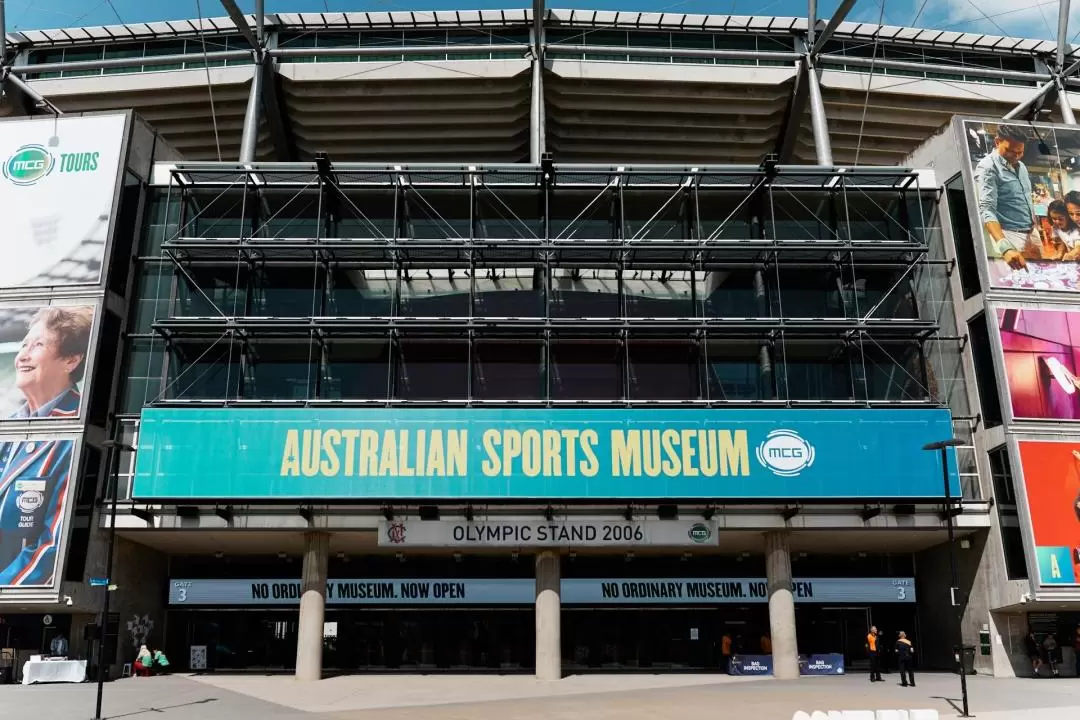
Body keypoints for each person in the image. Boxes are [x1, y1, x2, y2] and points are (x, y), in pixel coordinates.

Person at [0, 307, 91, 587]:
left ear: (71, 360)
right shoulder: (8, 428)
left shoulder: (77, 429)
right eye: (24, 344)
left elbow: (54, 544)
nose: (22, 356)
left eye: (38, 345)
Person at [974, 124, 1041, 270]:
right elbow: (986, 210)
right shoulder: (987, 167)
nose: (1016, 156)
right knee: (1017, 284)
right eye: (1011, 151)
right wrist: (1005, 248)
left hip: (1032, 233)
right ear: (997, 142)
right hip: (1010, 236)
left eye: (1020, 152)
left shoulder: (1021, 166)